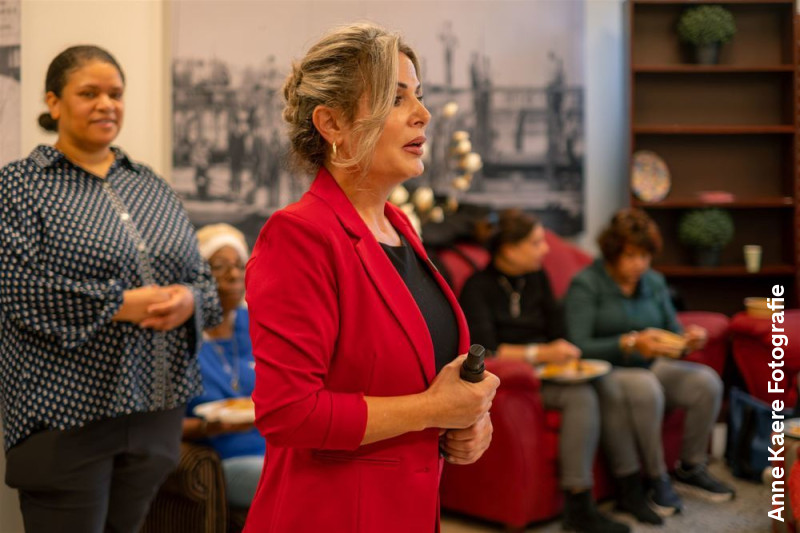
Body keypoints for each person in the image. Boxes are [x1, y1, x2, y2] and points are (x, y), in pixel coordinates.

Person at [243, 23, 500, 533]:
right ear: (332, 123)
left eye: (419, 96)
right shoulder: (299, 236)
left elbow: (426, 380)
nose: (423, 114)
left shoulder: (400, 227)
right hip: (330, 515)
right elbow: (289, 413)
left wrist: (467, 422)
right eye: (396, 98)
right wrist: (432, 409)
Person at [0, 45, 221, 533]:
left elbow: (204, 283)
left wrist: (188, 300)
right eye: (89, 93)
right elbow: (15, 288)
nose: (106, 104)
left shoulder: (152, 186)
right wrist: (120, 305)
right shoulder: (19, 186)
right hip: (66, 417)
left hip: (154, 412)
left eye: (115, 94)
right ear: (54, 102)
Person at [460, 209, 657, 532]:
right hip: (515, 376)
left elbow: (557, 329)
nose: (546, 249)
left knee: (606, 381)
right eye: (537, 243)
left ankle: (629, 486)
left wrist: (564, 352)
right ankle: (578, 504)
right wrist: (542, 352)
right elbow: (487, 350)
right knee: (580, 396)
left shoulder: (537, 278)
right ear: (510, 248)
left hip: (551, 369)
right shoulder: (477, 287)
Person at [565, 208, 735, 517]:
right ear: (612, 253)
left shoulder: (653, 282)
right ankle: (657, 478)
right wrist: (628, 343)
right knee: (647, 386)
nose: (638, 264)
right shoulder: (586, 283)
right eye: (630, 256)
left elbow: (671, 329)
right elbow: (577, 345)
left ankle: (691, 466)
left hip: (653, 365)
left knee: (706, 381)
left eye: (644, 256)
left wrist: (687, 339)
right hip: (608, 369)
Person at [184, 223, 264, 508]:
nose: (233, 275)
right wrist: (211, 427)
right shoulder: (183, 338)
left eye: (239, 266)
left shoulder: (254, 325)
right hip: (228, 459)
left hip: (278, 452)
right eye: (219, 266)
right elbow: (165, 428)